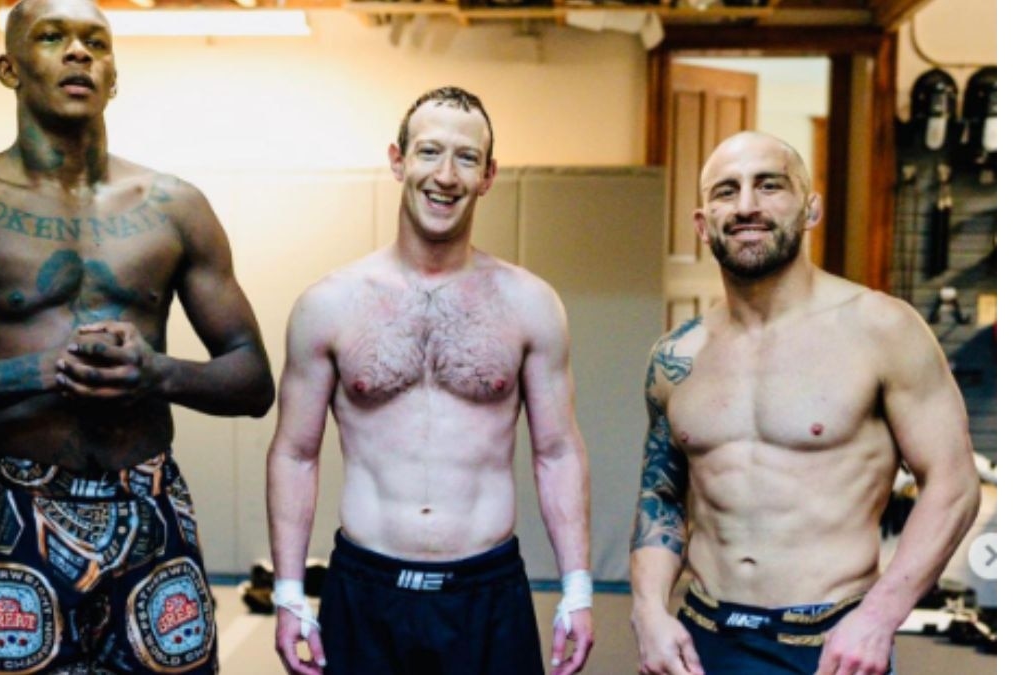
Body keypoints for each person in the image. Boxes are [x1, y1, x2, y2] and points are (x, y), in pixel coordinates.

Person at [0, 0, 274, 671]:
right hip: (20, 507)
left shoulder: (175, 207)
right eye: (52, 37)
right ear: (9, 68)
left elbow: (253, 380)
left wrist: (157, 372)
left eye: (95, 42)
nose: (78, 52)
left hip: (150, 504)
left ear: (114, 76)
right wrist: (38, 370)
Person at [265, 86, 594, 675]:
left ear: (488, 176)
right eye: (429, 152)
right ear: (398, 160)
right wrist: (289, 593)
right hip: (366, 590)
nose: (445, 175)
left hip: (487, 592)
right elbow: (295, 453)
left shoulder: (530, 304)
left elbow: (558, 451)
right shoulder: (329, 304)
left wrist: (577, 589)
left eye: (466, 158)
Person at [629, 131, 980, 675]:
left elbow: (953, 485)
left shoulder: (882, 329)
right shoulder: (676, 355)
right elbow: (662, 495)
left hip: (831, 645)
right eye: (726, 191)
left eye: (770, 186)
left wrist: (879, 618)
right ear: (702, 224)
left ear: (811, 209)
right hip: (702, 640)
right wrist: (648, 610)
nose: (747, 205)